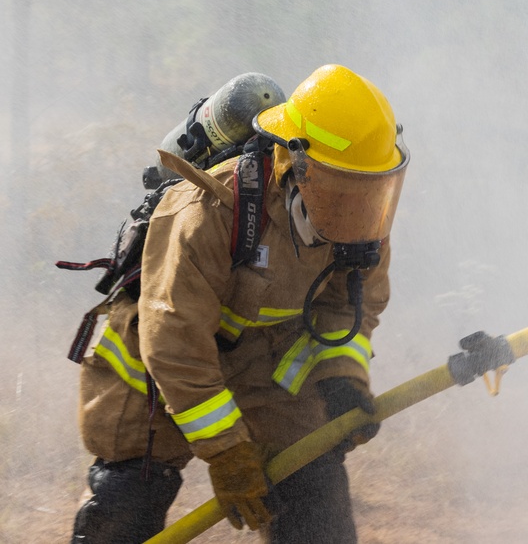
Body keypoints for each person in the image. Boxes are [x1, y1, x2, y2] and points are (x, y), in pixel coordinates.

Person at [70, 64, 409, 543]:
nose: (358, 206)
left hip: (262, 362)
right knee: (126, 506)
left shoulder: (364, 223)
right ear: (295, 164)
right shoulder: (209, 210)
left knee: (315, 495)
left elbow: (349, 311)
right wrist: (227, 451)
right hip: (155, 365)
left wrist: (341, 379)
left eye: (368, 188)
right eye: (342, 187)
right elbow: (173, 341)